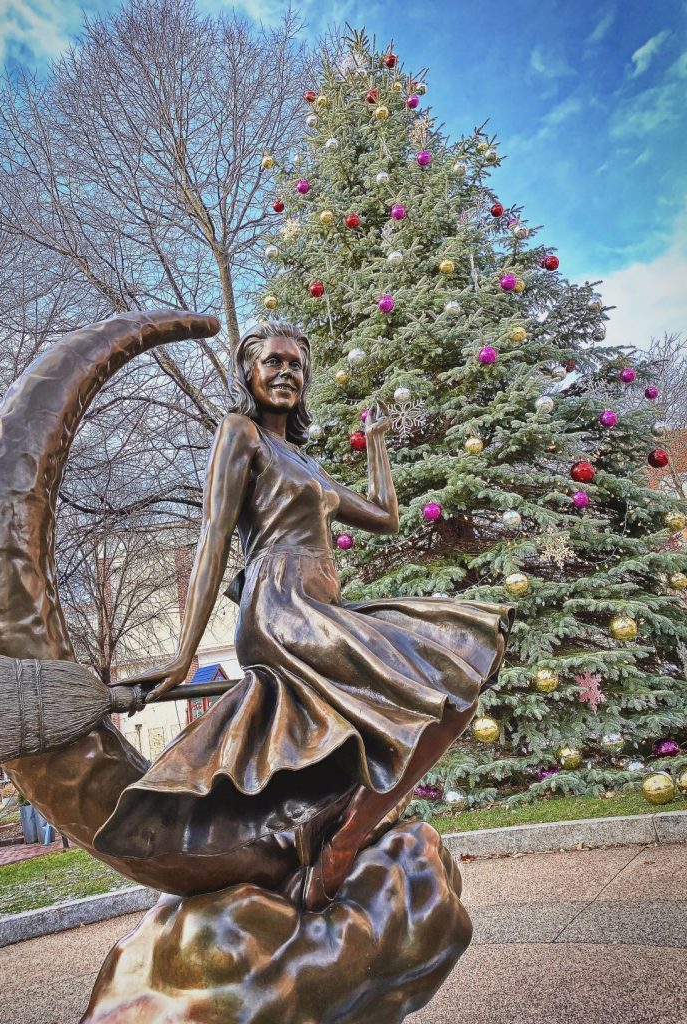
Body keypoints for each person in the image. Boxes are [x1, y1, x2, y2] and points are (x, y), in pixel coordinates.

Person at [95, 321, 513, 910]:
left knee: (456, 686)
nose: (286, 371)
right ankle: (338, 851)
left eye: (296, 364)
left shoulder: (306, 463)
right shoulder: (240, 435)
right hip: (278, 606)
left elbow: (386, 518)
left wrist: (378, 443)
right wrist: (185, 651)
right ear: (250, 372)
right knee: (422, 687)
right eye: (273, 362)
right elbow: (214, 538)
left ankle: (342, 835)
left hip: (321, 605)